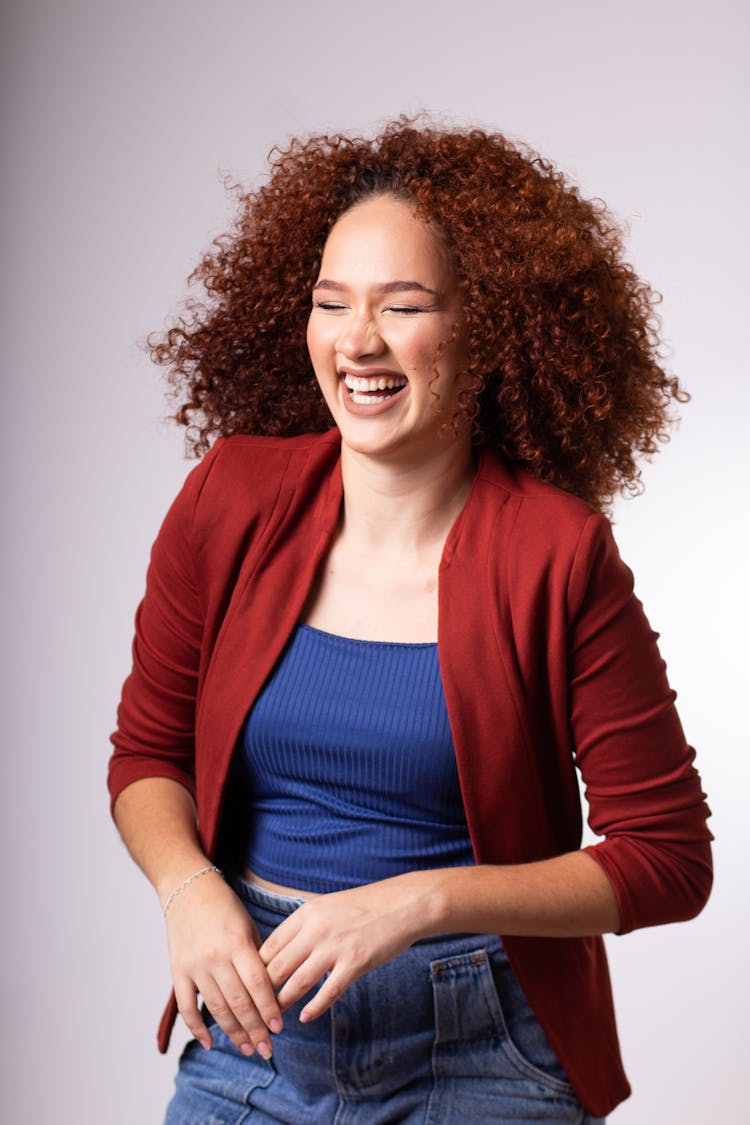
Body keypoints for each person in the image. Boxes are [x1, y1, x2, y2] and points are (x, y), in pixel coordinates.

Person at [108, 119, 712, 1124]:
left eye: (406, 306)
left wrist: (425, 898)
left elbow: (667, 857)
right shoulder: (229, 497)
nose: (359, 341)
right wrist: (188, 892)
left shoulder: (557, 555)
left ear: (487, 328)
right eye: (331, 303)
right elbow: (147, 756)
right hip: (258, 1025)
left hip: (480, 1044)